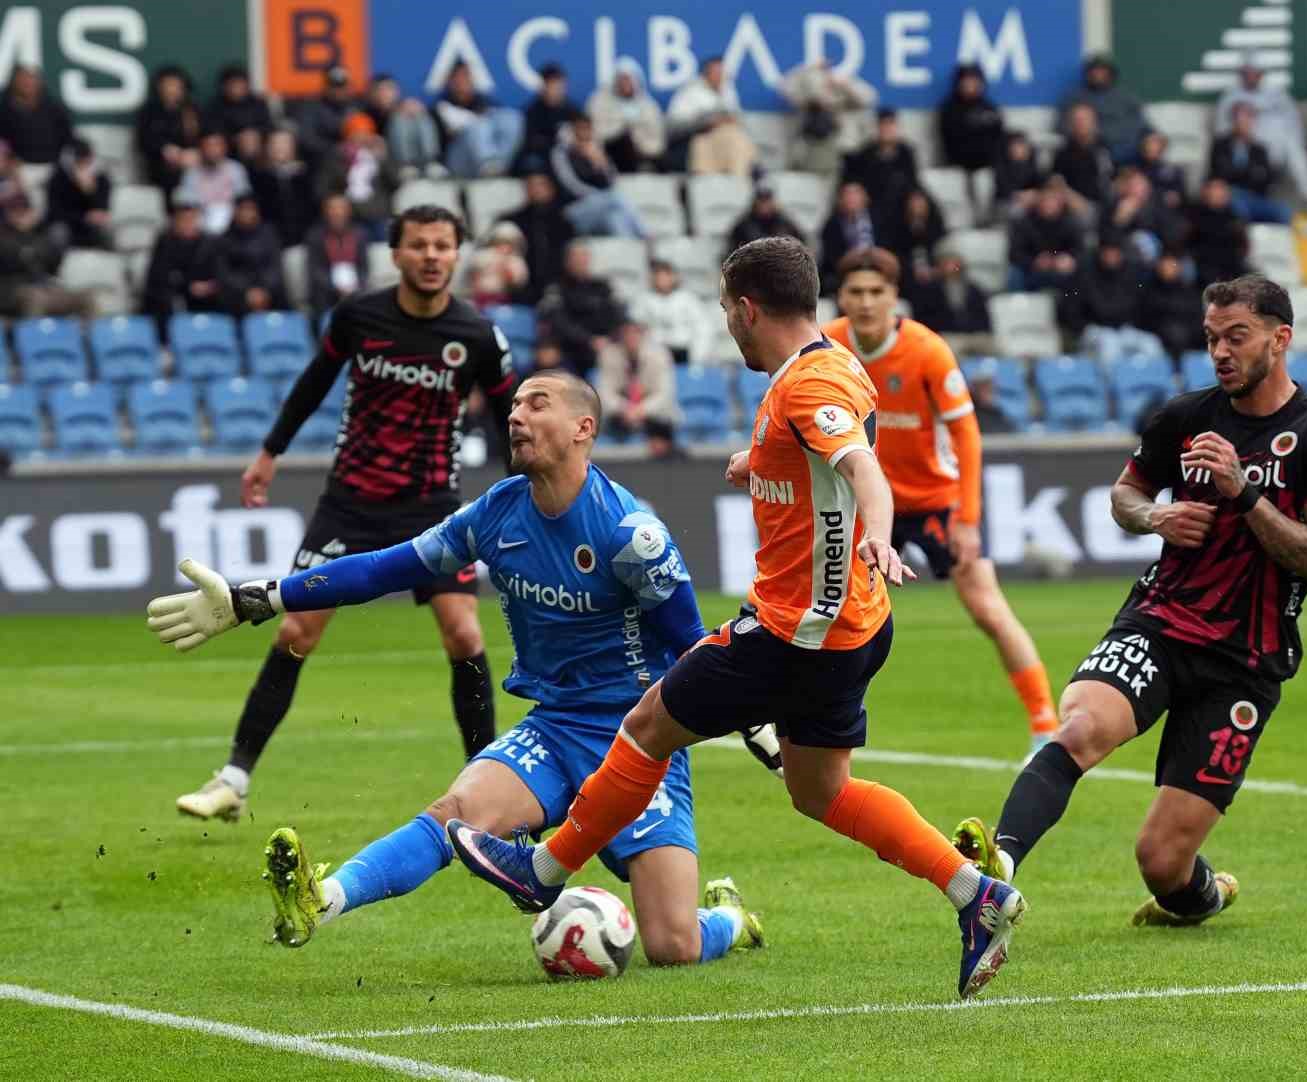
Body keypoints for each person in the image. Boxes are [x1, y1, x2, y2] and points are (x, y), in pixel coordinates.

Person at [445, 236, 1027, 1001]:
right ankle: (975, 894)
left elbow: (862, 470)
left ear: (748, 309)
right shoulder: (834, 363)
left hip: (796, 631)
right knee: (821, 791)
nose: (726, 324)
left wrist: (879, 531)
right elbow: (829, 452)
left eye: (726, 310)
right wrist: (764, 464)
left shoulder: (806, 387)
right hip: (854, 625)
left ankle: (542, 868)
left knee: (646, 725)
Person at [145, 370, 769, 968]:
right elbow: (380, 570)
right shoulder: (495, 514)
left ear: (583, 428)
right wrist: (257, 598)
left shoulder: (632, 535)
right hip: (555, 730)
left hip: (640, 740)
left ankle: (731, 921)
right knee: (452, 814)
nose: (516, 414)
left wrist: (754, 722)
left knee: (672, 944)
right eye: (516, 404)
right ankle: (322, 901)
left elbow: (694, 646)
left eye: (537, 403)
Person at [953, 273, 1307, 934]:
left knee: (1162, 862)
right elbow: (1125, 494)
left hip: (1245, 661)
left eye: (1237, 337)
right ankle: (998, 867)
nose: (1221, 352)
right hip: (1162, 623)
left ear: (1280, 339)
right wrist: (1155, 519)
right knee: (1082, 727)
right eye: (1211, 339)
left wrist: (1244, 493)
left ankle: (1208, 894)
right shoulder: (1184, 417)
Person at [170, 205, 519, 823]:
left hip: (433, 505)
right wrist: (269, 453)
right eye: (419, 245)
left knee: (464, 634)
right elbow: (313, 382)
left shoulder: (478, 337)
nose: (432, 256)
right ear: (396, 254)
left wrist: (524, 495)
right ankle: (233, 780)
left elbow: (509, 422)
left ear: (457, 255)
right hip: (349, 503)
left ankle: (487, 790)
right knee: (296, 632)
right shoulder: (358, 317)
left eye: (443, 245)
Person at [826, 245, 1059, 748]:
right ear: (840, 296)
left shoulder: (927, 350)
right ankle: (821, 727)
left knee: (986, 607)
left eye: (876, 292)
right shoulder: (830, 345)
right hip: (869, 504)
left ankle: (1046, 725)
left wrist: (969, 519)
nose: (866, 302)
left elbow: (967, 435)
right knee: (833, 610)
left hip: (935, 499)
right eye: (856, 292)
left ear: (895, 296)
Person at [1214, 54, 1307, 204]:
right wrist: (1242, 137)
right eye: (1247, 72)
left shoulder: (1277, 94)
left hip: (1279, 149)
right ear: (1241, 74)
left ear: (1262, 74)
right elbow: (1221, 132)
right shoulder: (1230, 97)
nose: (1251, 76)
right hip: (1248, 148)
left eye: (1255, 72)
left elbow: (1294, 125)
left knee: (1294, 146)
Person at [551, 113, 649, 238]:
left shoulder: (595, 151)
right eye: (580, 129)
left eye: (587, 129)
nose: (583, 134)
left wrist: (600, 164)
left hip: (601, 209)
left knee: (615, 219)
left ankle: (632, 249)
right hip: (573, 210)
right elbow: (570, 185)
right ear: (571, 132)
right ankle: (645, 234)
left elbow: (612, 182)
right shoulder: (561, 153)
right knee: (614, 197)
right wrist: (598, 196)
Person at [0, 188, 93, 318]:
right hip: (11, 290)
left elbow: (54, 262)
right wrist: (25, 237)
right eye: (14, 210)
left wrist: (33, 231)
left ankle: (84, 338)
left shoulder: (40, 233)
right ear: (6, 213)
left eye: (24, 208)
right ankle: (35, 338)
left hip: (43, 286)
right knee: (36, 299)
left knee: (86, 298)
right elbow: (15, 258)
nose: (20, 213)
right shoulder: (3, 236)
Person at [537, 242, 624, 377]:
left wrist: (609, 339)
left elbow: (617, 315)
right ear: (567, 261)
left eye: (583, 257)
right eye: (575, 258)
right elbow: (558, 321)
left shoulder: (602, 287)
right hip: (569, 348)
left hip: (604, 346)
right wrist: (588, 340)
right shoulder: (557, 287)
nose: (580, 261)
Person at [597, 320, 680, 457]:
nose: (631, 338)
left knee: (664, 424)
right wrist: (624, 408)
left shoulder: (660, 355)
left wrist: (642, 410)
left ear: (643, 335)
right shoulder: (608, 355)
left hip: (653, 414)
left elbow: (665, 394)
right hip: (621, 415)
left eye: (635, 333)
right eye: (626, 333)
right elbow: (604, 393)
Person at [781, 59, 877, 175]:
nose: (824, 96)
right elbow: (784, 88)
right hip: (813, 152)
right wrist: (807, 68)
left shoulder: (844, 98)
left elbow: (870, 99)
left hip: (842, 154)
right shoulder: (807, 104)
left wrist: (845, 86)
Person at [140, 196, 221, 330]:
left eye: (193, 219)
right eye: (184, 220)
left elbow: (219, 271)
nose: (189, 224)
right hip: (174, 296)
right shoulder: (165, 243)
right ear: (175, 221)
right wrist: (188, 287)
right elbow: (159, 279)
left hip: (206, 297)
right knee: (165, 302)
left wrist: (210, 286)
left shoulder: (209, 243)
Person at [666, 57, 757, 176]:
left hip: (728, 139)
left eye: (722, 73)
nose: (721, 77)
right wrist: (708, 122)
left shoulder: (729, 93)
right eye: (716, 73)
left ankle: (740, 178)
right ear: (705, 74)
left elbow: (739, 120)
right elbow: (674, 127)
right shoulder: (689, 93)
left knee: (738, 139)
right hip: (698, 139)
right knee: (733, 140)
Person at [433, 62, 523, 178]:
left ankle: (499, 167)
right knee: (477, 126)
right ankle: (489, 166)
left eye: (466, 76)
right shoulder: (441, 106)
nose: (462, 81)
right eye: (457, 77)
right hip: (457, 162)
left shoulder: (485, 103)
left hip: (492, 158)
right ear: (450, 82)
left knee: (512, 117)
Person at [317, 112, 400, 236]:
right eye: (356, 134)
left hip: (378, 213)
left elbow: (396, 182)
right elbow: (324, 187)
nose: (361, 138)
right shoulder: (336, 157)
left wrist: (383, 159)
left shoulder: (380, 154)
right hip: (350, 215)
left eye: (365, 133)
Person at [1209, 103, 1292, 225]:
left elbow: (1266, 178)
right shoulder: (1221, 144)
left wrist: (1245, 172)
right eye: (1240, 118)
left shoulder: (1260, 149)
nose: (1244, 123)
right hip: (1231, 195)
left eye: (1248, 118)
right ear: (1233, 121)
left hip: (1256, 196)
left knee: (1283, 210)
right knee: (1239, 208)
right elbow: (1221, 172)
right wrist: (1252, 172)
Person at [499, 172, 573, 304]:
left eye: (541, 185)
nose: (536, 190)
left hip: (558, 285)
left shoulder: (563, 222)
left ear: (551, 189)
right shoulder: (512, 220)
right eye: (531, 186)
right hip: (520, 286)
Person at [1060, 54, 1147, 163]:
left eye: (1102, 70)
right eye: (1094, 70)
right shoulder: (1074, 98)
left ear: (1111, 73)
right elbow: (1062, 125)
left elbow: (1139, 124)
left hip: (1123, 149)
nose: (1098, 74)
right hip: (1087, 151)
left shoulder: (1126, 97)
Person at [910, 247, 992, 355]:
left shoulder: (974, 289)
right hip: (947, 335)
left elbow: (983, 317)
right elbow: (924, 319)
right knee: (950, 350)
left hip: (974, 335)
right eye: (948, 264)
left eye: (956, 264)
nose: (953, 268)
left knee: (992, 346)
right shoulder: (930, 290)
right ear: (940, 266)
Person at [215, 193, 287, 315]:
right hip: (238, 296)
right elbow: (225, 273)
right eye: (242, 209)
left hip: (269, 293)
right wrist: (247, 292)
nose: (246, 214)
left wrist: (264, 290)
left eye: (250, 209)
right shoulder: (224, 239)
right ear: (235, 212)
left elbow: (275, 268)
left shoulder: (269, 235)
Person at [587, 60, 665, 174]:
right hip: (611, 150)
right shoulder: (600, 102)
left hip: (643, 154)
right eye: (622, 79)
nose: (625, 84)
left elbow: (658, 141)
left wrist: (639, 141)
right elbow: (594, 132)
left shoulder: (649, 106)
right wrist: (621, 129)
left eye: (629, 79)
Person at [135, 66, 202, 197]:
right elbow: (142, 141)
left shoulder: (192, 111)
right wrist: (165, 149)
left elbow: (205, 137)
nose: (171, 90)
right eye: (167, 85)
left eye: (176, 85)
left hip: (192, 162)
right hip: (160, 165)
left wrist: (195, 153)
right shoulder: (149, 112)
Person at [1008, 177, 1083, 292]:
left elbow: (1079, 250)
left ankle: (1072, 307)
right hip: (1032, 270)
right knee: (1014, 273)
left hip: (1061, 271)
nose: (1050, 204)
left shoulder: (1070, 222)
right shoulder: (1024, 222)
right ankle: (1019, 306)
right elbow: (1014, 253)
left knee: (1079, 275)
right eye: (1046, 199)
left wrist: (1069, 259)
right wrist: (1033, 261)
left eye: (1054, 200)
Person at [842, 110, 920, 220]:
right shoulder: (865, 153)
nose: (886, 129)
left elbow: (913, 181)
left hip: (901, 207)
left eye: (890, 124)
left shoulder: (906, 153)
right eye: (883, 124)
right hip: (872, 207)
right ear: (877, 128)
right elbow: (857, 182)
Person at [634, 259, 710, 365]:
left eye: (666, 276)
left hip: (683, 350)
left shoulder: (688, 299)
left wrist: (697, 357)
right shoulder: (643, 301)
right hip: (655, 352)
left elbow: (702, 327)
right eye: (659, 276)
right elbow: (637, 328)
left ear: (673, 277)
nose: (663, 280)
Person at [177, 128, 251, 235]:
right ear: (201, 148)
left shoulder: (235, 169)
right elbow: (188, 204)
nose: (213, 150)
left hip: (233, 224)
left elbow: (244, 200)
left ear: (224, 147)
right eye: (208, 145)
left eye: (217, 145)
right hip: (202, 226)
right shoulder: (192, 174)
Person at [365, 73, 441, 177]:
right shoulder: (367, 111)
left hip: (417, 154)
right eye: (380, 90)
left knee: (420, 115)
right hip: (388, 157)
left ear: (397, 91)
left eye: (389, 89)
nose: (385, 94)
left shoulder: (406, 107)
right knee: (399, 119)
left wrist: (417, 109)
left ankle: (430, 162)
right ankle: (406, 165)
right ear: (373, 93)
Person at [250, 129, 316, 247]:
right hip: (270, 242)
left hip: (304, 239)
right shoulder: (258, 176)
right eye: (275, 144)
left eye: (285, 143)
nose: (280, 148)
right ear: (267, 148)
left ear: (294, 147)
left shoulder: (305, 175)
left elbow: (312, 208)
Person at [303, 191, 367, 313]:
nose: (337, 213)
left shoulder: (360, 234)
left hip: (355, 289)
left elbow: (364, 267)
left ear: (349, 211)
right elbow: (315, 270)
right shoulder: (315, 236)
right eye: (333, 209)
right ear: (325, 212)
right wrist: (336, 287)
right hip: (326, 292)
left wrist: (354, 287)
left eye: (341, 208)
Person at [45, 137, 113, 249]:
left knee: (106, 229)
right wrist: (83, 217)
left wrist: (90, 191)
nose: (84, 166)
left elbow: (103, 209)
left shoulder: (101, 179)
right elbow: (55, 212)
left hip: (91, 226)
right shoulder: (58, 179)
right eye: (80, 162)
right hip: (68, 224)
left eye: (87, 162)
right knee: (58, 232)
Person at [517, 62, 582, 175]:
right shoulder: (532, 112)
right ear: (543, 85)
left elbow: (581, 137)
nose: (555, 89)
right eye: (551, 84)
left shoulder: (573, 111)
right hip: (543, 160)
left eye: (559, 84)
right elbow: (530, 142)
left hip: (569, 158)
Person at [0, 65, 73, 165]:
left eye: (31, 78)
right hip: (16, 167)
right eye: (23, 78)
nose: (27, 83)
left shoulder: (54, 108)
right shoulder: (4, 109)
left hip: (53, 166)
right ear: (14, 81)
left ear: (39, 81)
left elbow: (67, 138)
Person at [1137, 251, 1203, 361]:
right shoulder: (1150, 290)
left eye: (1171, 265)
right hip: (1159, 336)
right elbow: (1147, 317)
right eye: (1164, 265)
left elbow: (1195, 315)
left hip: (1188, 335)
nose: (1167, 269)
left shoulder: (1188, 290)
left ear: (1179, 267)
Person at [938, 64, 1005, 174]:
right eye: (967, 81)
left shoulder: (988, 107)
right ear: (959, 83)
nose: (971, 85)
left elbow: (999, 134)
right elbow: (951, 140)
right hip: (961, 163)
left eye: (974, 81)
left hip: (990, 163)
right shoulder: (950, 109)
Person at [1052, 104, 1114, 219]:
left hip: (1106, 203)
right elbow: (1055, 180)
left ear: (1094, 122)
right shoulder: (1063, 152)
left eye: (1084, 119)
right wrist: (1071, 198)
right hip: (1076, 205)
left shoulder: (1104, 147)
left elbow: (1113, 175)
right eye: (1076, 120)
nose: (1080, 123)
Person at [292, 66, 358, 174]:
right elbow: (307, 139)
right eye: (334, 86)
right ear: (326, 86)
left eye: (342, 86)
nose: (339, 90)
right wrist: (335, 149)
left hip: (353, 162)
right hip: (321, 162)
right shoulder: (311, 107)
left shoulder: (356, 106)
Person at [1186, 176, 1249, 287]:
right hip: (1203, 267)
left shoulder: (1234, 216)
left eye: (1222, 188)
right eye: (1216, 188)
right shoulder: (1194, 214)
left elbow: (1243, 245)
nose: (1220, 193)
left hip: (1231, 268)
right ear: (1206, 191)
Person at [818, 180, 878, 293]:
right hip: (843, 274)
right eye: (848, 194)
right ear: (840, 200)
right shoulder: (831, 225)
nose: (852, 198)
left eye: (856, 194)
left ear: (865, 198)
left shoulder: (878, 220)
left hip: (876, 269)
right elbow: (831, 259)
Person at [205, 63, 272, 161]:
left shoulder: (258, 103)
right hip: (227, 149)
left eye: (240, 83)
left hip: (258, 146)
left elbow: (268, 126)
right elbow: (213, 131)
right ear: (224, 86)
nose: (237, 87)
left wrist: (255, 134)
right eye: (233, 84)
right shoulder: (215, 106)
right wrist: (237, 138)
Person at [726, 183, 806, 256]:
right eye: (761, 201)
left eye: (767, 200)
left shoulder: (786, 223)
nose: (764, 205)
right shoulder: (743, 225)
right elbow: (730, 250)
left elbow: (803, 245)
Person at [468, 220, 529, 308]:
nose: (504, 247)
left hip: (502, 300)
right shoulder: (484, 256)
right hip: (479, 298)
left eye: (508, 243)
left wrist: (505, 267)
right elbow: (474, 274)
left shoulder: (515, 262)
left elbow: (516, 282)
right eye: (500, 242)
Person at [992, 130, 1046, 217]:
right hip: (1006, 203)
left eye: (1022, 145)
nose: (1019, 149)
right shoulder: (1001, 166)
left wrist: (1034, 194)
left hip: (1031, 201)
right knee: (1017, 210)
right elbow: (1003, 189)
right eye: (1016, 145)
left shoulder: (1033, 164)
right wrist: (1020, 196)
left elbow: (1041, 184)